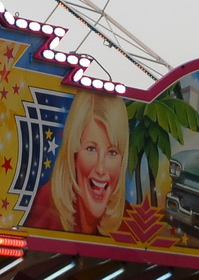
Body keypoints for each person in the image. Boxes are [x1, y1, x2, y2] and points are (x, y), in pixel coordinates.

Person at [23, 92, 128, 235]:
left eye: (112, 153)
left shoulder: (128, 221)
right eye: (91, 149)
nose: (101, 169)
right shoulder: (47, 203)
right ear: (74, 155)